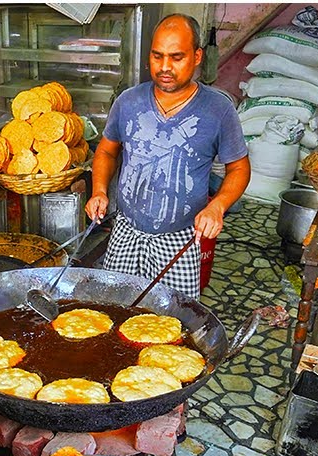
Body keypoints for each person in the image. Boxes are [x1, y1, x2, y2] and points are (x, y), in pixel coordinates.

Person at [86, 13, 250, 298]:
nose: (164, 67)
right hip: (126, 232)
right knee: (114, 309)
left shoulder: (217, 109)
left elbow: (239, 169)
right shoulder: (128, 101)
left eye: (176, 57)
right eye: (157, 56)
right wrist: (99, 191)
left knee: (173, 322)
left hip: (180, 240)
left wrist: (217, 206)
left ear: (197, 56)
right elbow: (106, 151)